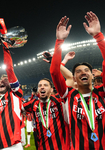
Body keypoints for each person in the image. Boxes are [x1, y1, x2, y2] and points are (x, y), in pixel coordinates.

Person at [50, 12, 105, 150]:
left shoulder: (102, 92)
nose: (83, 72)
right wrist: (59, 41)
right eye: (78, 71)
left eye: (86, 70)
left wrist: (98, 36)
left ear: (92, 76)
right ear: (74, 78)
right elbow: (55, 71)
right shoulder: (69, 95)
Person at [23, 78, 69, 150]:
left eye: (45, 85)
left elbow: (70, 82)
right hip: (42, 146)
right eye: (40, 85)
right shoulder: (33, 103)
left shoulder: (58, 99)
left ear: (51, 90)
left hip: (61, 146)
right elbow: (17, 107)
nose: (42, 87)